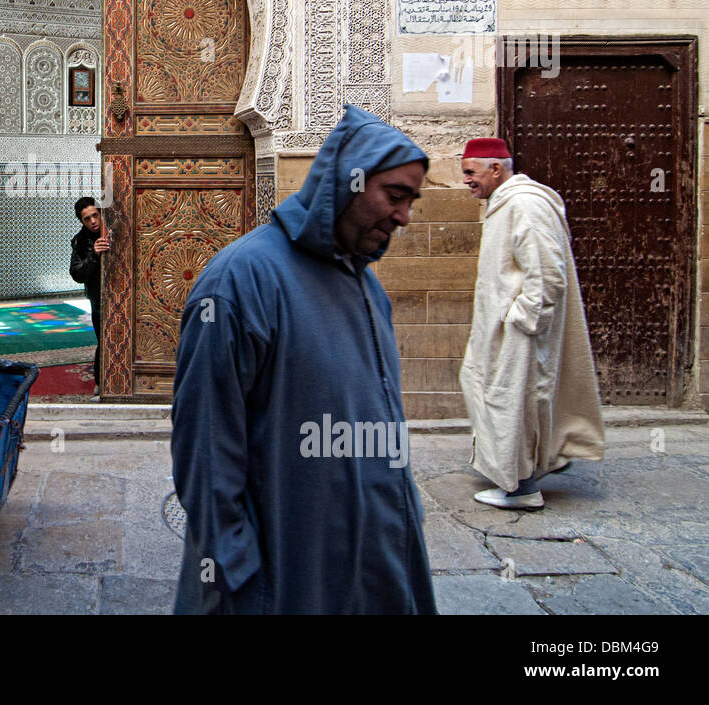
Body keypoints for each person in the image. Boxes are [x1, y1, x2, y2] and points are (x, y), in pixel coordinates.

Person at [171, 105, 437, 614]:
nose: (404, 216)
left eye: (412, 200)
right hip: (278, 580)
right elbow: (205, 448)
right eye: (395, 195)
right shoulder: (240, 282)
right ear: (349, 181)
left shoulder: (366, 286)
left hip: (372, 571)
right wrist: (236, 573)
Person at [458, 139, 605, 510]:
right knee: (495, 392)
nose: (466, 181)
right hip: (504, 328)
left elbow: (547, 274)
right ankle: (542, 460)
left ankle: (521, 488)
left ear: (496, 169)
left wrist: (521, 322)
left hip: (518, 331)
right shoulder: (507, 203)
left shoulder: (524, 203)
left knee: (512, 400)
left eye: (470, 172)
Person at [70, 196, 109, 388]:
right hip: (99, 298)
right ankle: (102, 383)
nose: (93, 221)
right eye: (87, 218)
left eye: (96, 215)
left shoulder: (114, 231)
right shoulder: (81, 241)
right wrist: (93, 255)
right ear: (82, 221)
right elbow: (77, 274)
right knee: (105, 338)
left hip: (125, 295)